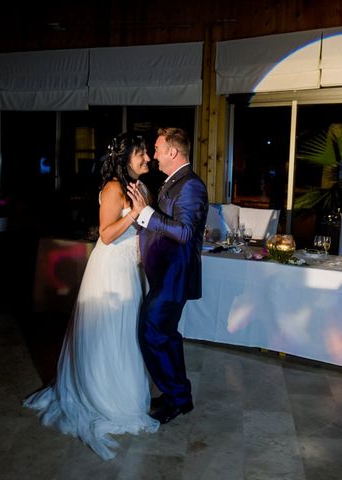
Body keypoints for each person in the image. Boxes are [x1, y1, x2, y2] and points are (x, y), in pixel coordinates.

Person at [23, 132, 159, 460]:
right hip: (111, 267)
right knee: (109, 331)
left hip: (131, 268)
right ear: (126, 157)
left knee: (128, 332)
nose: (148, 159)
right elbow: (107, 235)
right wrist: (133, 213)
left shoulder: (139, 187)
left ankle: (124, 393)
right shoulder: (114, 187)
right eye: (142, 153)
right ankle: (104, 397)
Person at [129, 127, 208, 425]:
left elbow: (185, 232)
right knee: (165, 336)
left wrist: (146, 212)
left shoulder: (191, 186)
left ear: (173, 152)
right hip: (166, 275)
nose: (154, 155)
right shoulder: (173, 182)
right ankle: (178, 396)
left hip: (174, 276)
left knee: (153, 333)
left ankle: (176, 397)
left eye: (158, 149)